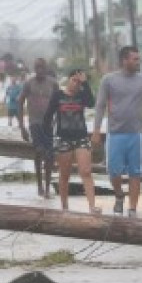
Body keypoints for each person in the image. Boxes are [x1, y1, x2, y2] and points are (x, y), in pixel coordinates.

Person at [91, 46, 142, 218]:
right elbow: (100, 106)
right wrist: (96, 130)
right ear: (124, 60)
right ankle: (119, 194)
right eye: (135, 59)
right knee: (114, 171)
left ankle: (133, 208)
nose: (138, 62)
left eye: (138, 59)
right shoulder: (109, 80)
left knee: (136, 172)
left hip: (136, 134)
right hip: (115, 134)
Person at [44, 70, 99, 214]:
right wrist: (48, 138)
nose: (76, 84)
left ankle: (92, 206)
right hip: (63, 139)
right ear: (68, 80)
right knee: (65, 174)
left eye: (79, 82)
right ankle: (64, 206)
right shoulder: (58, 95)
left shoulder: (82, 96)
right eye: (74, 80)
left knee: (86, 171)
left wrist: (85, 83)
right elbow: (48, 116)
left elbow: (91, 103)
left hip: (81, 137)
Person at [17, 58, 58, 198]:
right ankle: (39, 185)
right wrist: (22, 127)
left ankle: (47, 188)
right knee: (39, 151)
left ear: (46, 68)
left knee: (49, 156)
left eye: (42, 67)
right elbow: (20, 102)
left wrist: (60, 122)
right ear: (34, 69)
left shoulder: (53, 83)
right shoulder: (29, 84)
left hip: (49, 124)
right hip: (35, 123)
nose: (40, 70)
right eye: (37, 68)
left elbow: (60, 102)